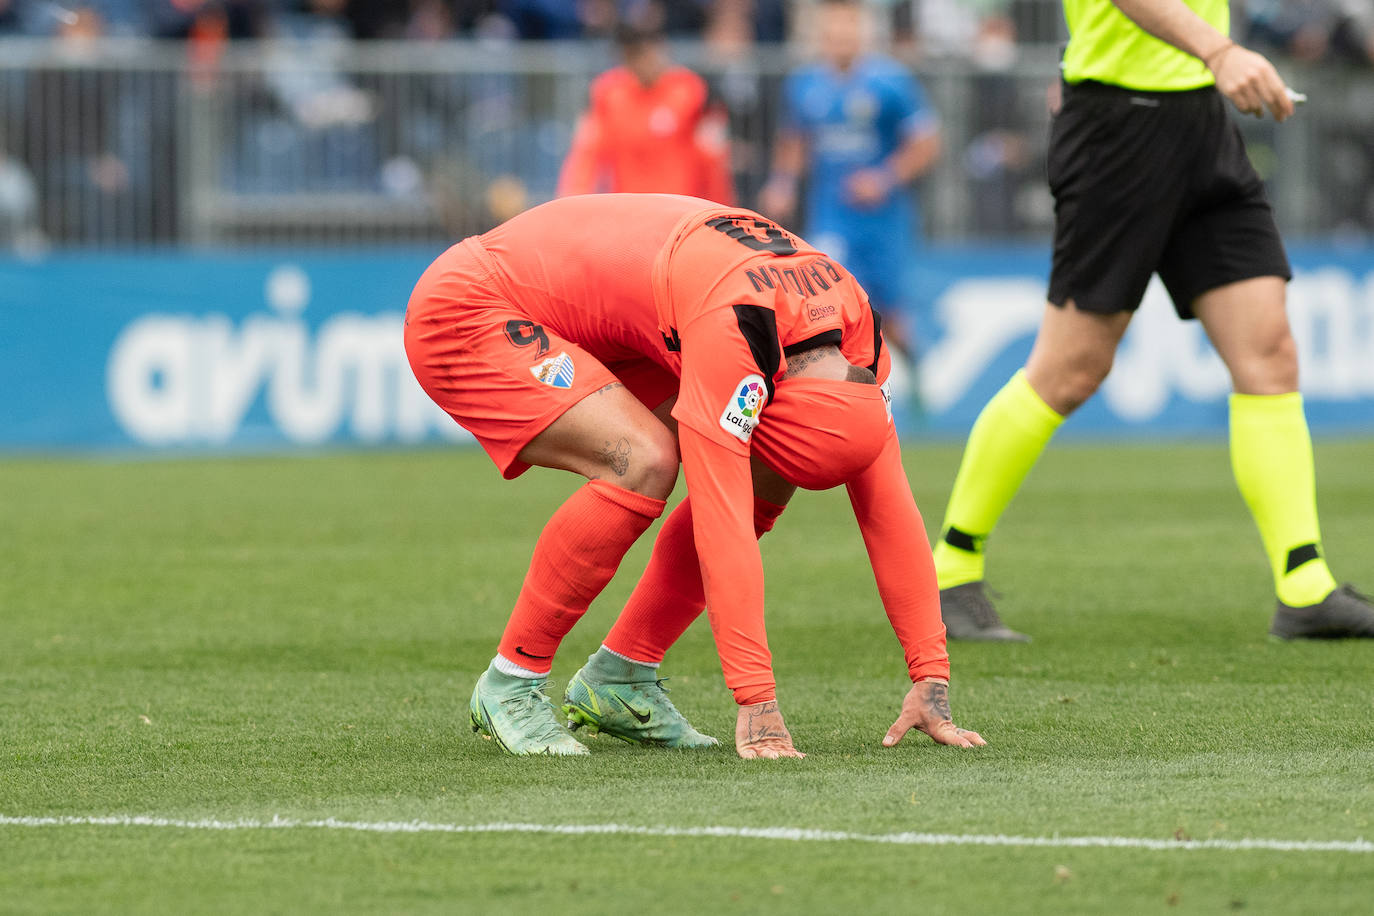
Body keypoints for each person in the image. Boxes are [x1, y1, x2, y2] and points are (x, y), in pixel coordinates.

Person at [404, 193, 984, 759]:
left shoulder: (860, 337)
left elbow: (889, 510)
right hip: (473, 303)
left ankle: (621, 678)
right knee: (644, 459)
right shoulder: (735, 328)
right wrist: (755, 698)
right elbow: (721, 520)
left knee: (763, 475)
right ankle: (512, 681)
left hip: (620, 318)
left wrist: (930, 674)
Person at [931, 0, 1374, 641]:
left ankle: (1304, 587)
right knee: (1069, 369)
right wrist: (1222, 51)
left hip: (1202, 118)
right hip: (1117, 125)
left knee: (1269, 351)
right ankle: (950, 568)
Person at [758, 0, 940, 324]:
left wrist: (884, 178)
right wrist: (782, 184)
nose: (841, 35)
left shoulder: (892, 81)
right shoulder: (804, 84)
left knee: (888, 312)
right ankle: (846, 375)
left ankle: (912, 371)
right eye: (833, 28)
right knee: (831, 301)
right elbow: (794, 139)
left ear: (862, 31)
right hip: (832, 213)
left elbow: (927, 143)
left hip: (884, 218)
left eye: (848, 26)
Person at [556, 23, 734, 204]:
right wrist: (571, 202)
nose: (641, 63)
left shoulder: (692, 91)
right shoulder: (609, 94)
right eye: (632, 56)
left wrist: (719, 210)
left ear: (661, 49)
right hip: (630, 208)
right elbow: (586, 154)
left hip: (678, 209)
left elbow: (712, 157)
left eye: (645, 54)